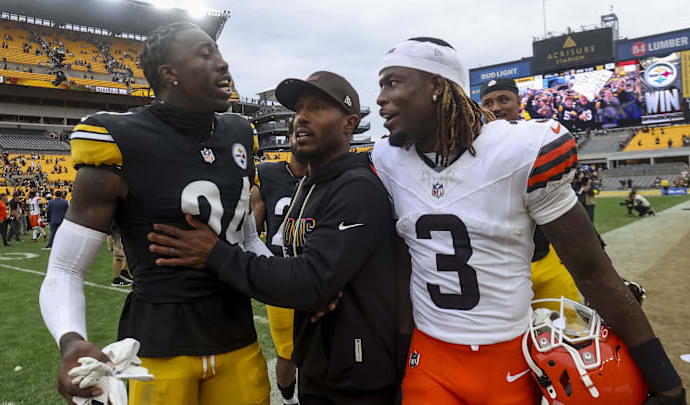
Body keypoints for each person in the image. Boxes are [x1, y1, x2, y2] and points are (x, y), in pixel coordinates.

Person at [372, 37, 684, 405]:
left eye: (392, 83)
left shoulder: (518, 151)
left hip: (510, 360)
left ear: (437, 86)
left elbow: (591, 270)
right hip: (430, 359)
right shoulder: (387, 159)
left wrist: (665, 379)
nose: (380, 98)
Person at [39, 22, 271, 405]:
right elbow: (65, 268)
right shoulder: (119, 137)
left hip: (238, 339)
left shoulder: (240, 133)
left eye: (218, 51)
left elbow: (246, 239)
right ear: (169, 74)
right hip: (160, 349)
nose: (223, 63)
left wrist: (302, 283)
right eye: (205, 54)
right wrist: (72, 340)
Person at [147, 71, 413, 405]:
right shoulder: (311, 184)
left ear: (349, 124)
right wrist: (310, 287)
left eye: (317, 108)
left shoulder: (356, 187)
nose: (302, 118)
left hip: (358, 374)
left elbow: (311, 279)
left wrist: (216, 254)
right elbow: (308, 276)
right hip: (321, 360)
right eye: (299, 109)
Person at [480, 79, 582, 307]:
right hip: (498, 271)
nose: (495, 108)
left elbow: (566, 207)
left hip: (545, 259)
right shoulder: (471, 150)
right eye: (488, 102)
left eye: (503, 99)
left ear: (519, 103)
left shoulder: (541, 141)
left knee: (566, 334)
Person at [251, 118, 306, 405]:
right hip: (281, 278)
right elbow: (251, 232)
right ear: (289, 138)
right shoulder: (268, 174)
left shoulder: (333, 177)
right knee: (286, 353)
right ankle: (288, 400)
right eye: (298, 132)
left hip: (320, 276)